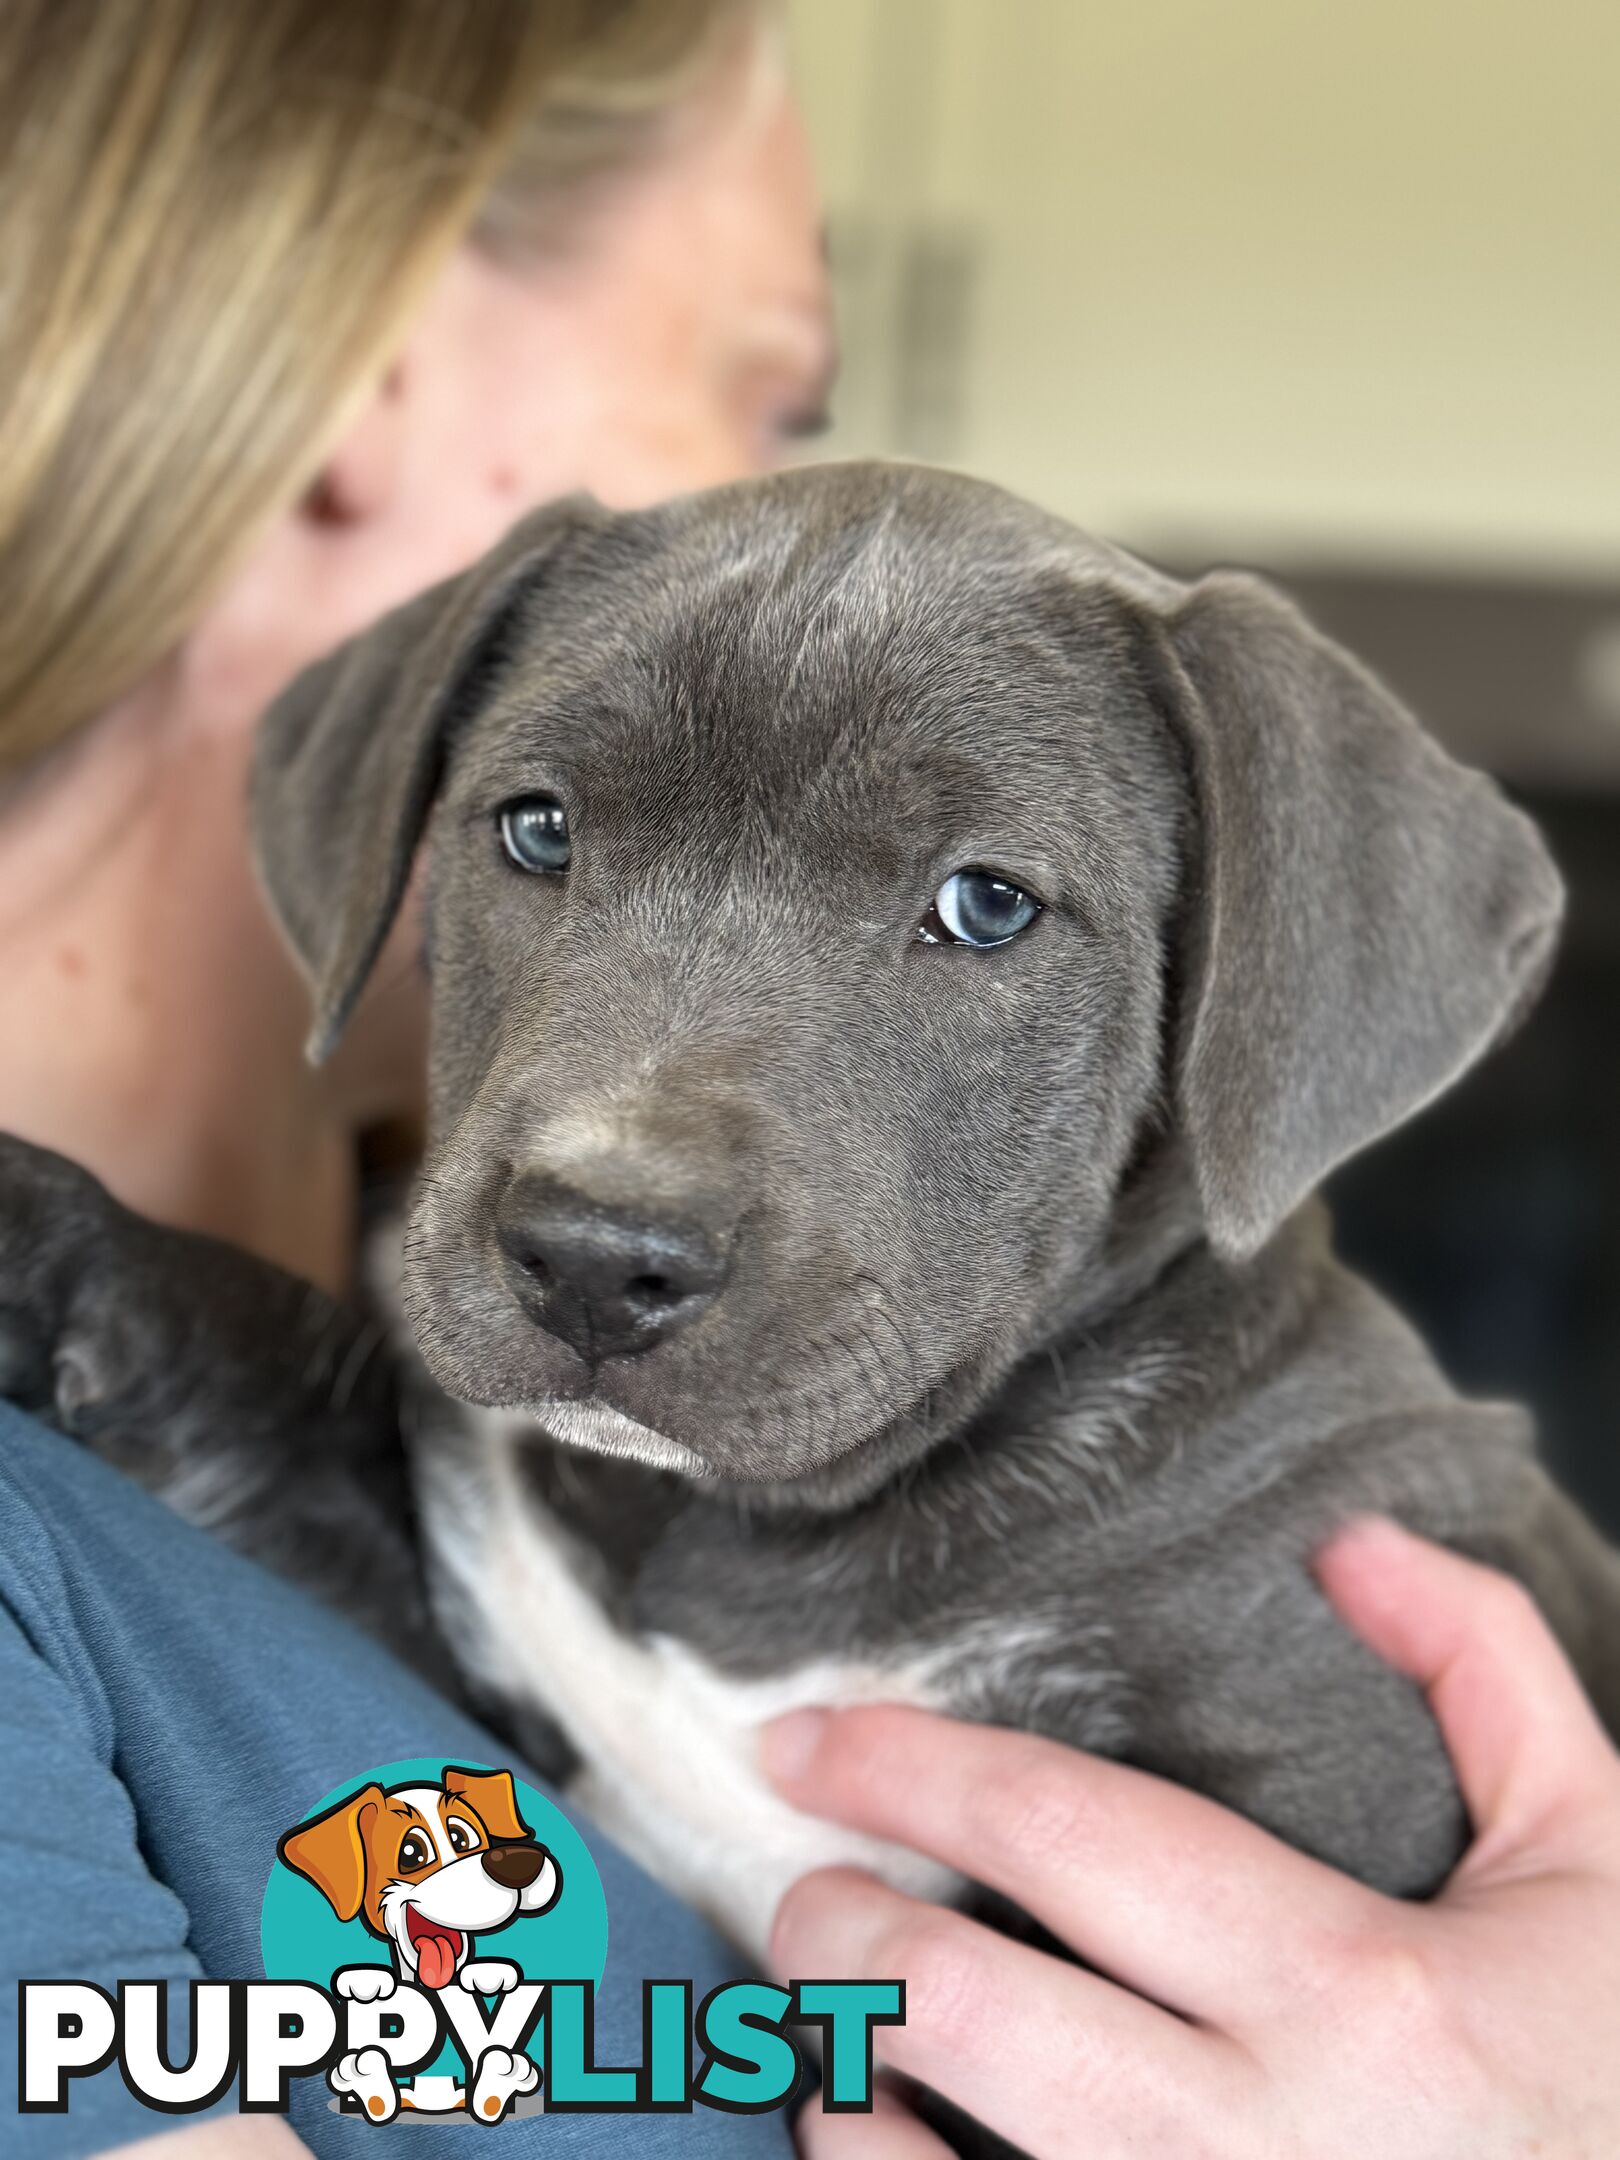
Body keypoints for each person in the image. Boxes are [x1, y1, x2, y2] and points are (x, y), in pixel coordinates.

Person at [1, 9, 1615, 2160]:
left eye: (976, 904)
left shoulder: (1312, 1561)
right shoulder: (152, 1517)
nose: (619, 1160)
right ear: (356, 387)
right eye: (551, 834)